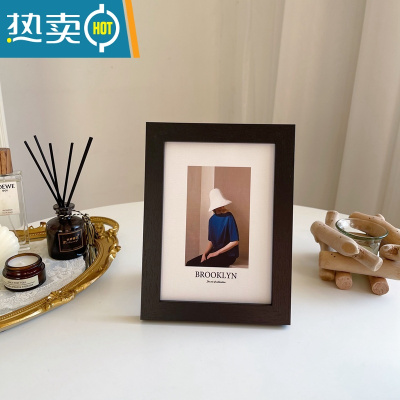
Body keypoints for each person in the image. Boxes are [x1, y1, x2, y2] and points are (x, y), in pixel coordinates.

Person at [186, 188, 239, 268]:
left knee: (203, 266)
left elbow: (235, 242)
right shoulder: (211, 220)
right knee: (189, 264)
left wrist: (216, 253)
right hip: (215, 253)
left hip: (228, 255)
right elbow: (211, 241)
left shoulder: (229, 217)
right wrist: (205, 254)